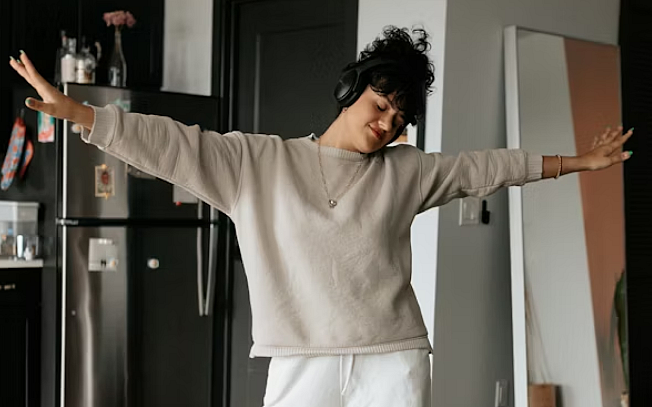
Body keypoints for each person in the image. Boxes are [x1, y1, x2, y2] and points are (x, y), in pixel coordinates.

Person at [9, 26, 632, 407]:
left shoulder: (407, 171)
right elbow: (172, 144)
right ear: (351, 90)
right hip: (298, 359)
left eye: (400, 119)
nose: (387, 124)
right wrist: (82, 114)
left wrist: (579, 161)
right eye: (381, 104)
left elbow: (485, 168)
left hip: (392, 360)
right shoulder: (257, 163)